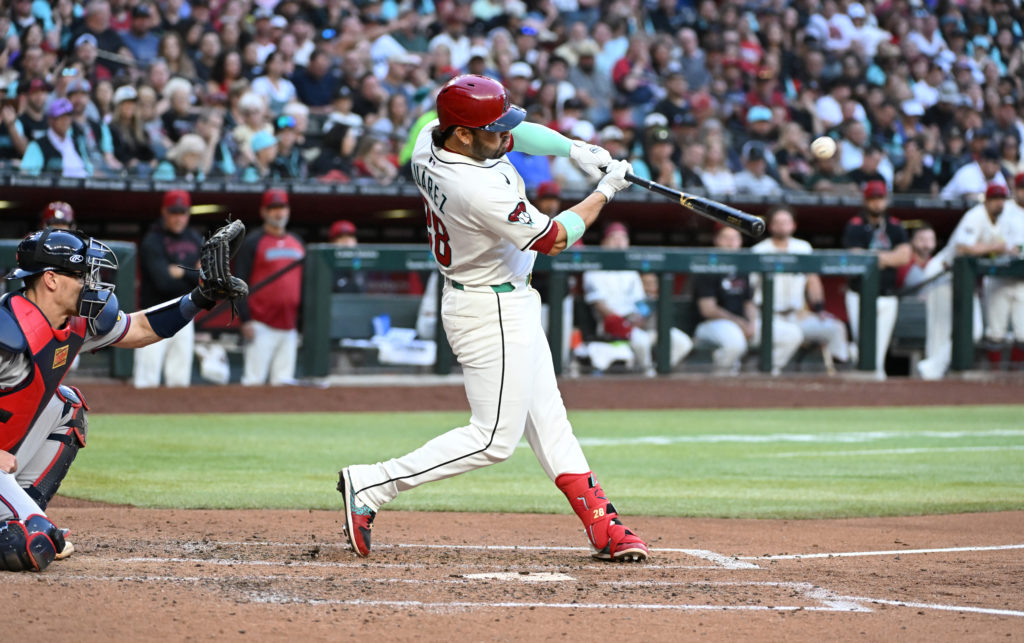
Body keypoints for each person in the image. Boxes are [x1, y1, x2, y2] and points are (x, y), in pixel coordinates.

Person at [338, 74, 649, 563]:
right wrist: (606, 191)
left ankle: (603, 525)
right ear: (463, 135)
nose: (505, 136)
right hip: (489, 308)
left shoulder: (432, 137)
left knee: (549, 422)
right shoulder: (474, 188)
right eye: (493, 129)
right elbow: (554, 239)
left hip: (507, 299)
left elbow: (516, 132)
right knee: (493, 439)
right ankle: (373, 483)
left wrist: (572, 149)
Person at [0, 226, 244, 572]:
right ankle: (23, 525)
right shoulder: (7, 330)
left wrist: (201, 297)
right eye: (81, 274)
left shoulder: (75, 322)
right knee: (31, 544)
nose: (90, 283)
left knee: (67, 405)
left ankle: (24, 515)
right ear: (51, 279)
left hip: (5, 467)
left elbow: (140, 328)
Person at [915, 184, 1014, 379]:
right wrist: (995, 247)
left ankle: (930, 368)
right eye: (995, 199)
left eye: (1002, 199)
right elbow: (962, 247)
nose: (999, 203)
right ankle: (931, 376)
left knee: (974, 331)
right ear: (986, 201)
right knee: (940, 329)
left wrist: (1004, 250)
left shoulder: (1001, 221)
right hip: (944, 273)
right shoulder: (975, 215)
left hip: (966, 280)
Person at [583, 222, 693, 375]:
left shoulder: (631, 271)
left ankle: (659, 371)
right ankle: (648, 376)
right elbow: (600, 305)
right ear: (604, 243)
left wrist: (641, 317)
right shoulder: (594, 270)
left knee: (682, 341)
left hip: (637, 324)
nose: (619, 242)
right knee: (642, 340)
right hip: (612, 325)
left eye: (623, 238)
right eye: (614, 238)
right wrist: (625, 322)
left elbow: (641, 303)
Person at [693, 225, 803, 375]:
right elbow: (708, 310)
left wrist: (751, 322)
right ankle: (720, 378)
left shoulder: (742, 267)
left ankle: (762, 375)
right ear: (717, 240)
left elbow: (748, 302)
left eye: (735, 238)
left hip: (742, 324)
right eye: (726, 238)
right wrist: (740, 323)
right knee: (735, 343)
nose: (731, 243)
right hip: (712, 325)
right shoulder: (706, 267)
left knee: (792, 334)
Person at [751, 207, 852, 368]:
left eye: (786, 222)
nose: (782, 226)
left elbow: (813, 281)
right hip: (768, 317)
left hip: (797, 315)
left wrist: (819, 309)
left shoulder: (803, 248)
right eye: (777, 222)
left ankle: (840, 372)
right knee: (793, 335)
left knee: (835, 328)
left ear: (794, 225)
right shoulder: (759, 250)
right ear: (770, 226)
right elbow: (750, 289)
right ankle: (765, 371)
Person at [133, 190, 204, 388]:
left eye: (182, 212)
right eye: (174, 212)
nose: (179, 218)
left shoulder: (195, 239)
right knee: (147, 379)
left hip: (185, 313)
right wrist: (192, 272)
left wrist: (180, 272)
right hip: (154, 313)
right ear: (164, 211)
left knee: (179, 380)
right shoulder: (153, 240)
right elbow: (163, 282)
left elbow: (205, 278)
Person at [234, 189, 305, 386]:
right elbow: (239, 282)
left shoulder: (297, 242)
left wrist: (302, 322)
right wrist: (245, 319)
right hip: (260, 324)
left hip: (290, 325)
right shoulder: (253, 242)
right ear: (264, 212)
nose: (278, 213)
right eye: (273, 208)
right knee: (253, 382)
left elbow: (305, 283)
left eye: (282, 208)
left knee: (284, 384)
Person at [842, 181, 911, 380]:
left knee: (879, 351)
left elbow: (904, 256)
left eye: (880, 198)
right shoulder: (855, 224)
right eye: (872, 199)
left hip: (887, 294)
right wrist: (888, 257)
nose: (876, 203)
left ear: (886, 200)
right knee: (864, 345)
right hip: (859, 294)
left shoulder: (895, 225)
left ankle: (875, 387)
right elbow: (856, 256)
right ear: (865, 200)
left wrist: (873, 258)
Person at [985, 174, 1024, 369]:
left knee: (1023, 334)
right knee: (996, 332)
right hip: (999, 276)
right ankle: (994, 378)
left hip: (1022, 280)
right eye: (1022, 188)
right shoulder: (1003, 209)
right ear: (1015, 189)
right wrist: (1004, 248)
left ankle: (1013, 378)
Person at [20, 98, 92, 177]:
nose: (66, 121)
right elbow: (27, 176)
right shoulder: (37, 145)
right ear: (51, 120)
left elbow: (89, 170)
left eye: (68, 117)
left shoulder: (77, 142)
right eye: (61, 117)